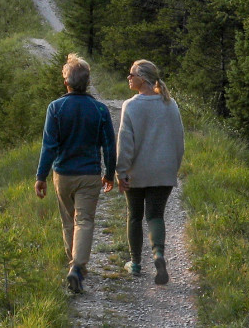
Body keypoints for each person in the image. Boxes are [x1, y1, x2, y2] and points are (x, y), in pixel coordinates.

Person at [35, 53, 115, 293]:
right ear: (87, 82)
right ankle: (78, 268)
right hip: (90, 174)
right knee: (85, 220)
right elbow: (109, 145)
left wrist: (41, 176)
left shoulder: (55, 108)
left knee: (69, 221)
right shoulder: (100, 110)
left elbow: (49, 145)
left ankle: (75, 266)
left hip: (63, 174)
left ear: (66, 82)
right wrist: (109, 174)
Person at [116, 59, 184, 285]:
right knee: (155, 216)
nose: (129, 77)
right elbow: (179, 140)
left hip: (138, 171)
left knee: (135, 216)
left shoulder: (131, 106)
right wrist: (173, 166)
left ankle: (135, 264)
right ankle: (159, 255)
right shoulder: (170, 104)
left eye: (131, 74)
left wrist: (121, 171)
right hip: (163, 170)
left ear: (142, 79)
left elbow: (126, 143)